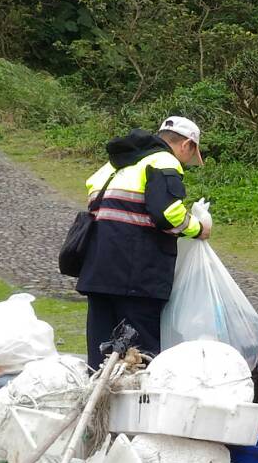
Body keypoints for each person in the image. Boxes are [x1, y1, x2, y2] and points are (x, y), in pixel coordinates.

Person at [77, 116, 209, 368]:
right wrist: (199, 228)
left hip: (98, 271)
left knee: (101, 354)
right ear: (187, 145)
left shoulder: (114, 165)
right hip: (137, 275)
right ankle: (139, 406)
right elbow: (167, 214)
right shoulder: (163, 161)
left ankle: (97, 404)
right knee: (140, 354)